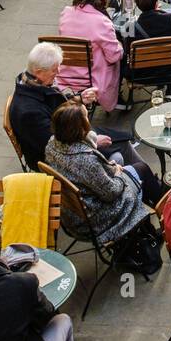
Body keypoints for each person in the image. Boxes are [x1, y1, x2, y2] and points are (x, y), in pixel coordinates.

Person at [46, 101, 159, 262]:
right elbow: (111, 193)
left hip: (73, 213)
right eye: (86, 118)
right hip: (99, 218)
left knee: (127, 163)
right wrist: (118, 172)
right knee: (141, 169)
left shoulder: (52, 145)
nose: (89, 122)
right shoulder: (85, 160)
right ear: (79, 128)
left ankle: (157, 198)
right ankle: (166, 207)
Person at [9, 41, 137, 171]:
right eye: (54, 69)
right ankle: (144, 182)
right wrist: (92, 141)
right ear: (38, 71)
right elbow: (56, 146)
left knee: (123, 138)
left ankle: (143, 179)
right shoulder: (29, 112)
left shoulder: (34, 85)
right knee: (122, 147)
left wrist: (79, 99)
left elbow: (57, 105)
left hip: (70, 134)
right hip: (58, 158)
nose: (58, 72)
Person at [57, 0, 124, 112]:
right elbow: (113, 57)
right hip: (91, 77)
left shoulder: (66, 13)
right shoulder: (102, 22)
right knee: (121, 53)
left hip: (66, 73)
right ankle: (117, 98)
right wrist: (120, 45)